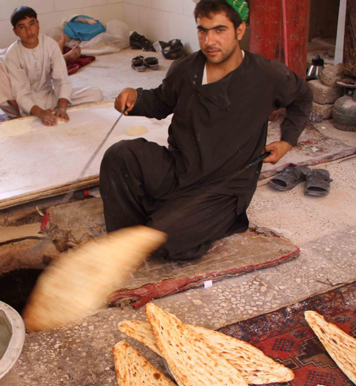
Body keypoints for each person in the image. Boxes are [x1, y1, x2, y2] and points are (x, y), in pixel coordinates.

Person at [99, 0, 312, 261]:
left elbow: (302, 97)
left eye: (220, 30)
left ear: (240, 31)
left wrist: (287, 141)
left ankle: (182, 220)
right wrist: (134, 97)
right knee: (120, 155)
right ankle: (124, 242)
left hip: (224, 185)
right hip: (180, 168)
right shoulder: (186, 69)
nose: (210, 40)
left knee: (163, 240)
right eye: (203, 31)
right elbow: (161, 101)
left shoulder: (265, 75)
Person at [0, 6, 103, 124]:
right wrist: (40, 113)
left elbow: (61, 80)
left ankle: (45, 111)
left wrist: (61, 108)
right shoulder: (12, 53)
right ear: (15, 31)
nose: (28, 31)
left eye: (32, 24)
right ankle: (21, 116)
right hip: (20, 104)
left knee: (96, 93)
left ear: (38, 24)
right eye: (22, 27)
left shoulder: (51, 45)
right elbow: (19, 92)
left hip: (48, 97)